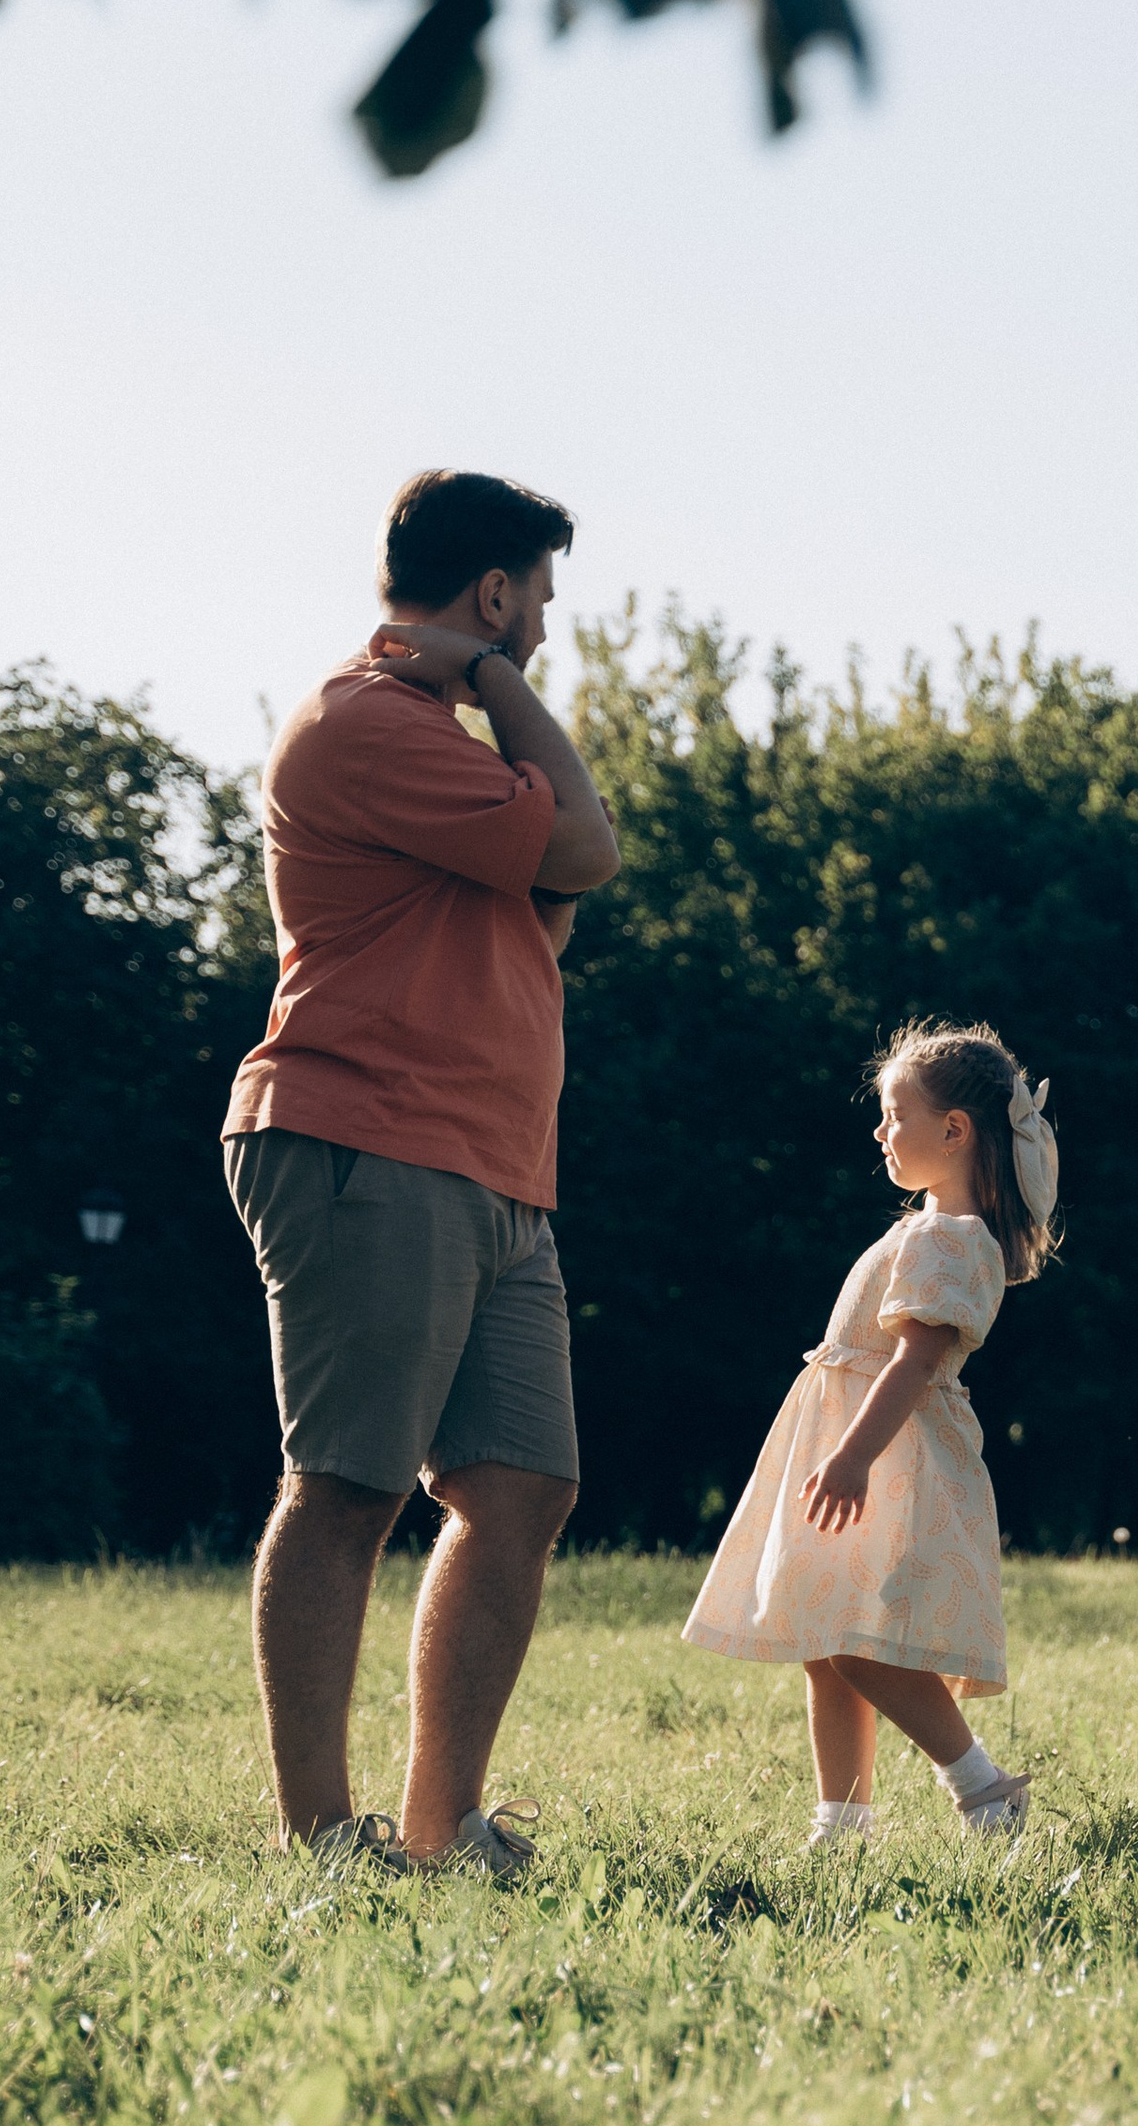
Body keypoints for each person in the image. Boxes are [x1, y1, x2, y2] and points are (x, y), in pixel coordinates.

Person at [222, 469, 621, 1876]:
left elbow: (548, 909)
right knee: (347, 1487)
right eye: (542, 607)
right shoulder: (368, 723)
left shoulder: (452, 763)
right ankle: (321, 1834)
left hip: (498, 1164)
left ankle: (443, 1826)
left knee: (522, 1485)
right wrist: (495, 684)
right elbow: (588, 843)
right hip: (367, 1138)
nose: (550, 638)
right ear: (497, 594)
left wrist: (492, 704)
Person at [682, 1022, 1057, 1839]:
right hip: (862, 1449)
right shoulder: (922, 1232)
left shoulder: (951, 1240)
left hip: (893, 1458)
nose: (879, 1131)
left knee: (860, 1642)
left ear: (954, 1131)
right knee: (827, 1639)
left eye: (895, 1115)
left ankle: (984, 1788)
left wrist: (851, 1456)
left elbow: (914, 1365)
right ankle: (841, 1824)